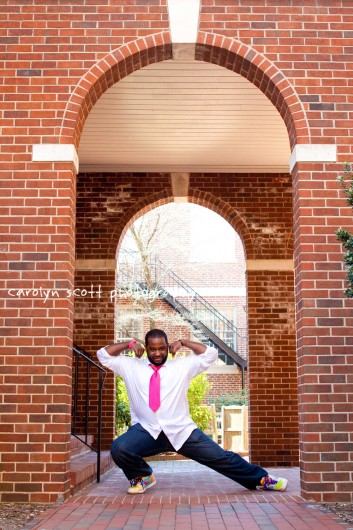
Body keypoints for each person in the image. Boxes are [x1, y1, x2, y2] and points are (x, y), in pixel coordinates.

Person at [96, 329, 288, 494]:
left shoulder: (181, 366)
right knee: (119, 448)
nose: (157, 353)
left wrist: (184, 342)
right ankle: (142, 477)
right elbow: (103, 354)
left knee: (220, 457)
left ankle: (262, 479)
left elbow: (210, 354)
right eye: (152, 349)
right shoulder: (131, 366)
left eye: (161, 348)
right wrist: (129, 344)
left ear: (167, 347)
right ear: (146, 348)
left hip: (181, 431)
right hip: (147, 430)